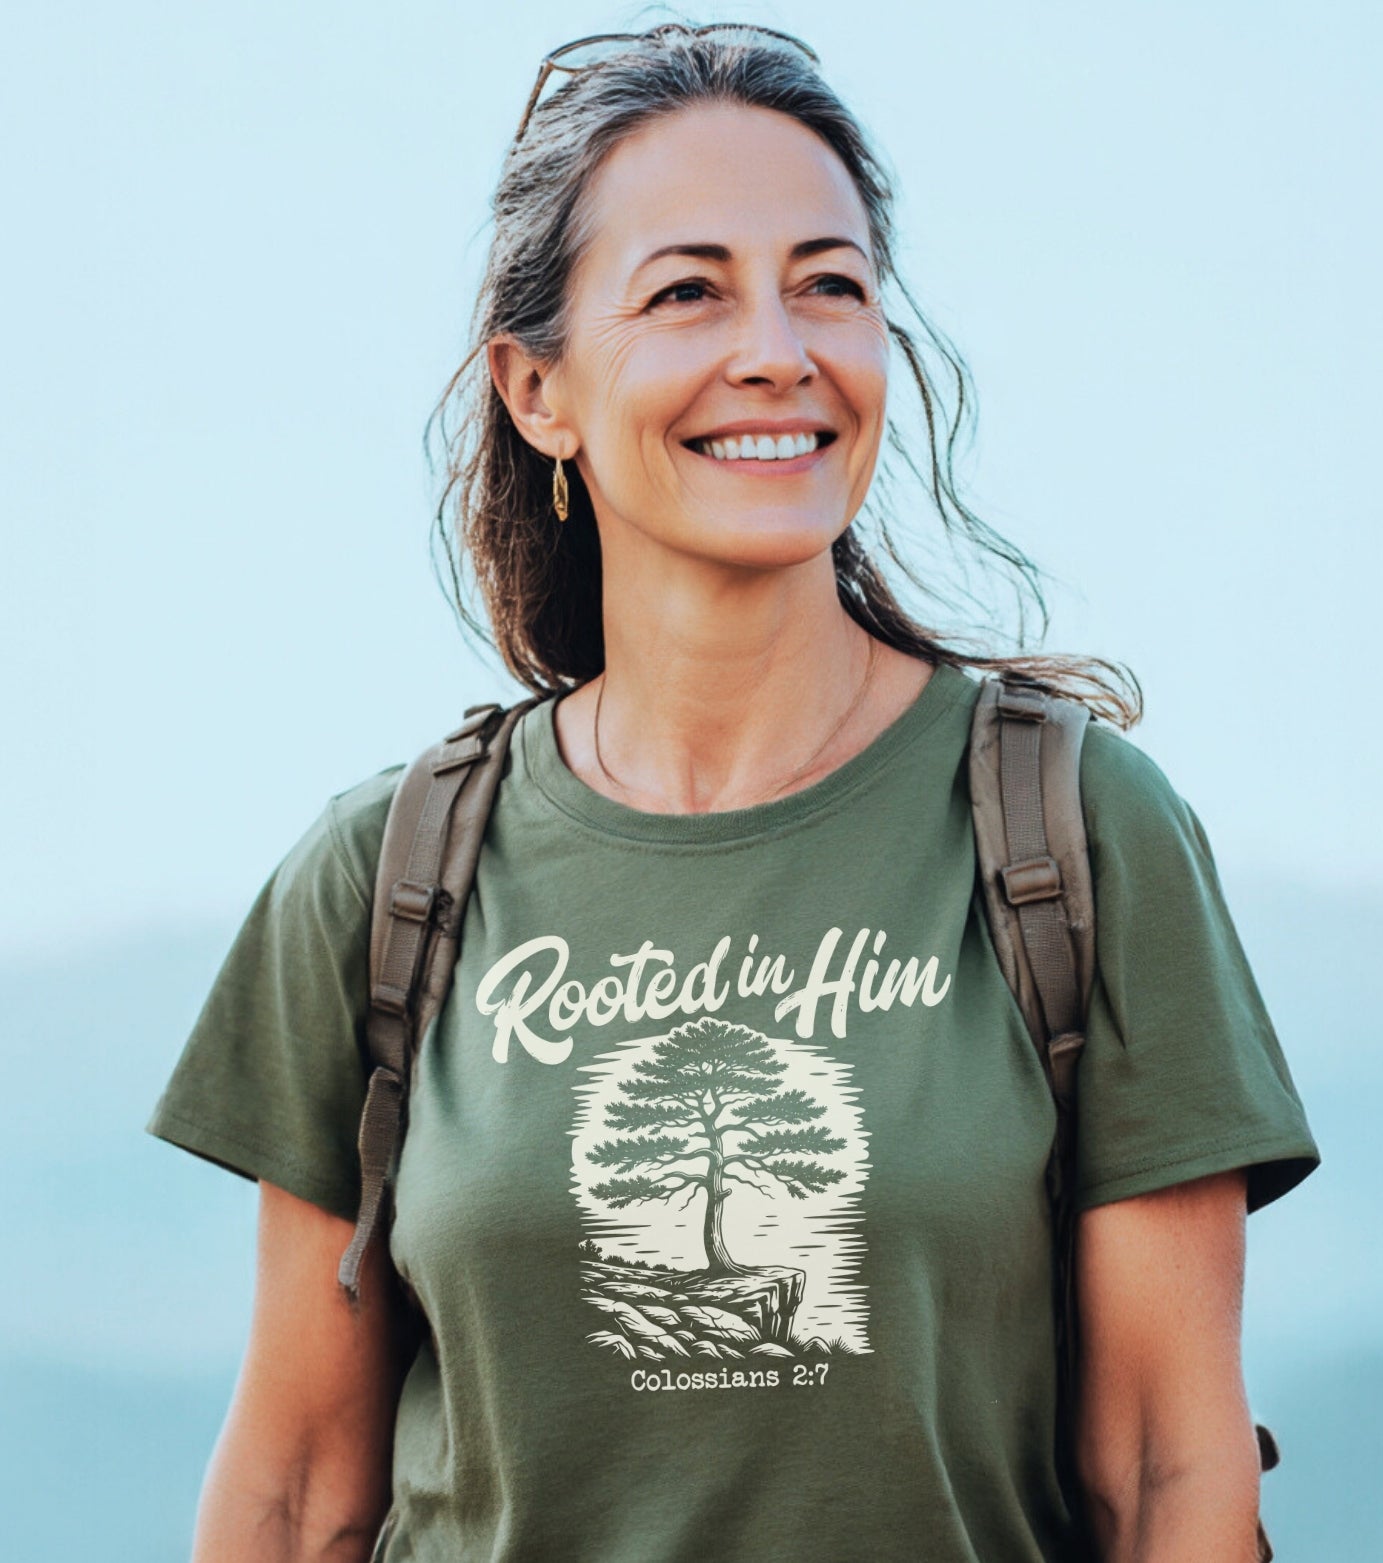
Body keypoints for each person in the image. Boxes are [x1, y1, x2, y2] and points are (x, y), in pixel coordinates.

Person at [145, 23, 1319, 1563]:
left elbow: (1169, 1472)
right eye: (688, 292)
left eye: (829, 284)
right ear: (537, 388)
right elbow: (298, 1492)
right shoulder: (388, 877)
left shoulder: (1078, 834)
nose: (777, 348)